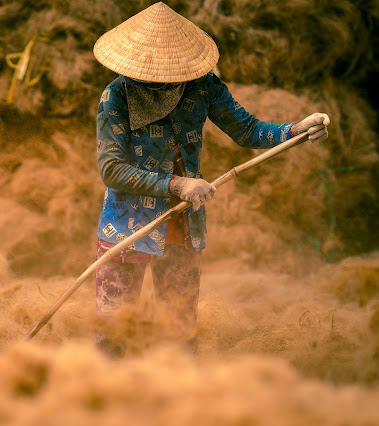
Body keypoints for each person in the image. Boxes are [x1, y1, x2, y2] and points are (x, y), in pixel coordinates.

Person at [92, 2, 329, 355]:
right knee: (113, 335)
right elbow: (111, 169)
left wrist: (295, 130)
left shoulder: (203, 87)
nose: (162, 78)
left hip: (184, 224)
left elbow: (247, 129)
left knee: (180, 334)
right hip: (127, 227)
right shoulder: (115, 97)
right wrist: (177, 184)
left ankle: (182, 400)